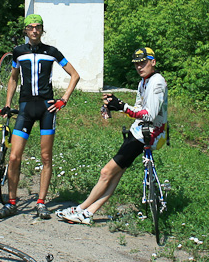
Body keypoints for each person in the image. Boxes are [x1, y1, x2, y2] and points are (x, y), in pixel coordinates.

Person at [57, 47, 168, 225]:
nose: (139, 67)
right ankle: (89, 212)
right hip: (139, 131)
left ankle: (81, 209)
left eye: (143, 63)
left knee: (106, 172)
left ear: (153, 62)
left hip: (149, 135)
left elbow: (149, 115)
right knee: (116, 174)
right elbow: (138, 108)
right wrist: (116, 106)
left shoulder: (157, 83)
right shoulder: (144, 82)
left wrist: (123, 107)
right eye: (137, 64)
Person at [0, 14, 80, 220]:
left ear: (42, 30)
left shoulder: (51, 52)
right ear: (26, 30)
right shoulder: (18, 52)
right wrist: (8, 103)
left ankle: (41, 203)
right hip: (25, 108)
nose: (34, 30)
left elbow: (75, 75)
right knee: (14, 157)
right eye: (31, 27)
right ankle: (12, 202)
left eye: (38, 27)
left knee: (46, 157)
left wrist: (63, 99)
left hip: (46, 109)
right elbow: (13, 78)